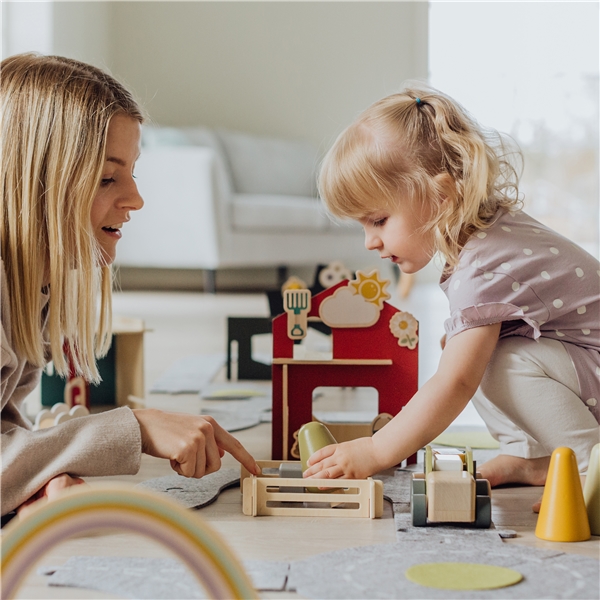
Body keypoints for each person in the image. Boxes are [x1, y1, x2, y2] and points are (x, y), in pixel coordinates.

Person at [1, 53, 260, 518]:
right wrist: (133, 428)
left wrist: (40, 480)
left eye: (131, 172)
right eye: (106, 178)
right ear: (32, 182)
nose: (135, 199)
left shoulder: (28, 289)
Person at [304, 85, 600, 490]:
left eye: (378, 220)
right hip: (585, 364)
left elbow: (455, 384)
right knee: (464, 346)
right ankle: (532, 456)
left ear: (440, 196)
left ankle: (590, 470)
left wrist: (375, 451)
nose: (369, 243)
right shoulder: (487, 235)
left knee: (491, 362)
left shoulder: (485, 265)